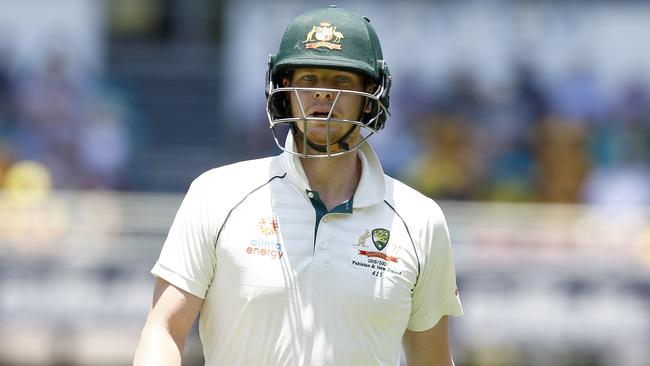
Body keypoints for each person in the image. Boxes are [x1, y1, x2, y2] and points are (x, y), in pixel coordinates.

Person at [134, 6, 463, 366]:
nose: (323, 95)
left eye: (341, 81)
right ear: (284, 89)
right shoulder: (216, 195)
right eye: (309, 79)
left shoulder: (419, 221)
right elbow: (163, 329)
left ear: (371, 93)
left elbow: (431, 360)